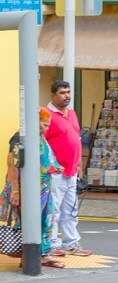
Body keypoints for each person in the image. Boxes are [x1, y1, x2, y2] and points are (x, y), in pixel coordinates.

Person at [0, 109, 65, 268]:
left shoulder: (39, 137)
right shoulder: (19, 138)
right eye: (44, 125)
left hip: (42, 189)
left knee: (45, 220)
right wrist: (16, 191)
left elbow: (44, 159)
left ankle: (42, 254)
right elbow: (13, 165)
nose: (46, 129)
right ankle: (27, 256)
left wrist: (54, 167)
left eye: (48, 125)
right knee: (26, 222)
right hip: (25, 190)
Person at [44, 80, 91, 256]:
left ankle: (71, 243)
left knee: (71, 209)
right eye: (63, 93)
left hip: (71, 170)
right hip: (56, 172)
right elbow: (42, 142)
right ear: (53, 94)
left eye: (68, 92)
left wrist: (79, 164)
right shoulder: (46, 114)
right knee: (54, 210)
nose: (67, 96)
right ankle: (53, 244)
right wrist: (51, 165)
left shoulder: (71, 113)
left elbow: (76, 139)